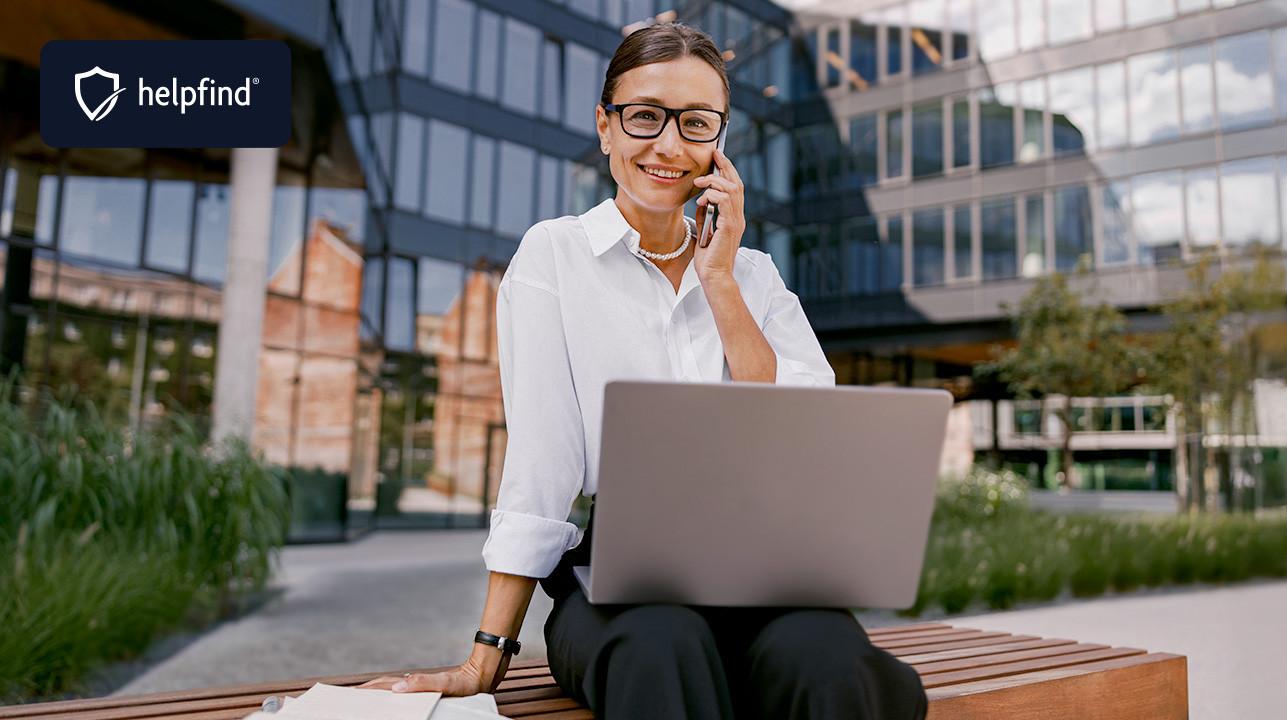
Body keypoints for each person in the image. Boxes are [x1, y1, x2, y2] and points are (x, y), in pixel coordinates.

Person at [360, 21, 928, 720]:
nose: (668, 145)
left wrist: (718, 279)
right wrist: (487, 653)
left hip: (761, 577)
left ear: (719, 143)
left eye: (696, 124)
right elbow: (543, 464)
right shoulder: (555, 257)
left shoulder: (754, 278)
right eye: (644, 116)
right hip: (617, 591)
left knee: (835, 665)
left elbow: (801, 433)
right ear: (605, 127)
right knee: (663, 648)